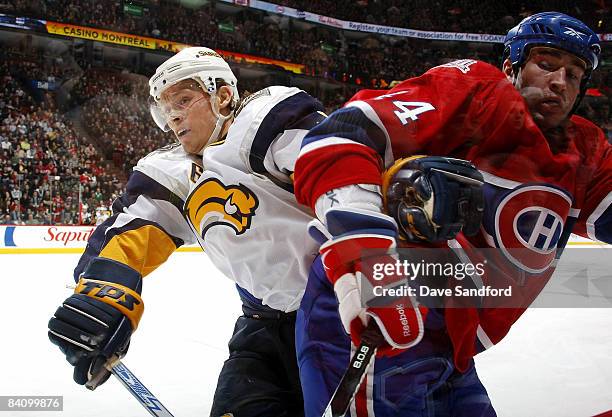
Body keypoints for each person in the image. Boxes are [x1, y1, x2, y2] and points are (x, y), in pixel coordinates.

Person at [293, 12, 611, 416]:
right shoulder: (477, 91)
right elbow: (340, 136)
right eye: (546, 64)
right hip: (382, 322)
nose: (559, 82)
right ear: (511, 66)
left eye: (574, 73)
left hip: (454, 347)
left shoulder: (586, 150)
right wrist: (369, 262)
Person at [47, 46, 326, 417]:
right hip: (261, 327)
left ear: (223, 95)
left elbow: (345, 173)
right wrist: (102, 293)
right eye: (165, 108)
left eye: (183, 99)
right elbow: (132, 229)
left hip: (341, 312)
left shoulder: (265, 121)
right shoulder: (172, 172)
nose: (173, 115)